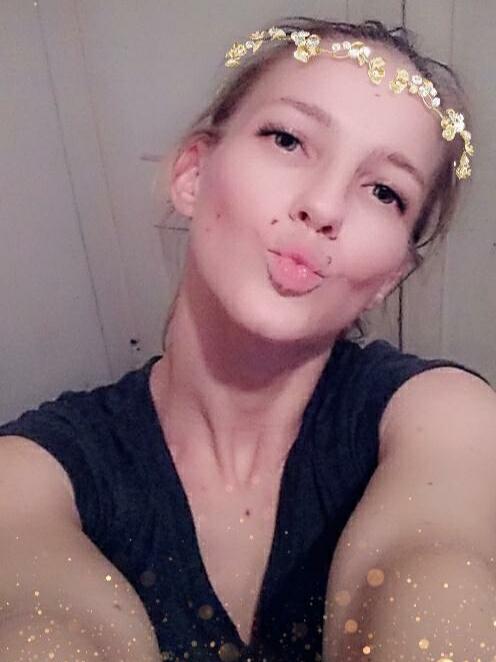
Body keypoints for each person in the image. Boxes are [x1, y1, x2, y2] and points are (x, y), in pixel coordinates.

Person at [0, 16, 495, 662]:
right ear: (193, 173)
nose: (324, 206)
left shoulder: (447, 417)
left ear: (390, 278)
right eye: (288, 139)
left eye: (384, 191)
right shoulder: (25, 476)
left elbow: (440, 569)